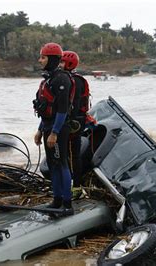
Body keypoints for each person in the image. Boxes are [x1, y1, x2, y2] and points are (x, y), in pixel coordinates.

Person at [33, 43, 74, 214]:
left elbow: (62, 109)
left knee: (61, 163)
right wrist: (40, 130)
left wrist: (55, 133)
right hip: (49, 127)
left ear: (52, 59)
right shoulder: (48, 79)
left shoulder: (61, 79)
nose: (40, 60)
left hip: (59, 128)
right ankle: (56, 200)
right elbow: (45, 110)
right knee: (52, 164)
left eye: (43, 57)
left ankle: (67, 203)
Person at [60, 50, 92, 199]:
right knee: (68, 155)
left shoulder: (75, 80)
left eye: (62, 62)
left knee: (73, 155)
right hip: (73, 121)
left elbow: (73, 104)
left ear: (69, 63)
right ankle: (72, 185)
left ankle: (76, 187)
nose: (59, 65)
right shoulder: (72, 78)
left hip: (74, 123)